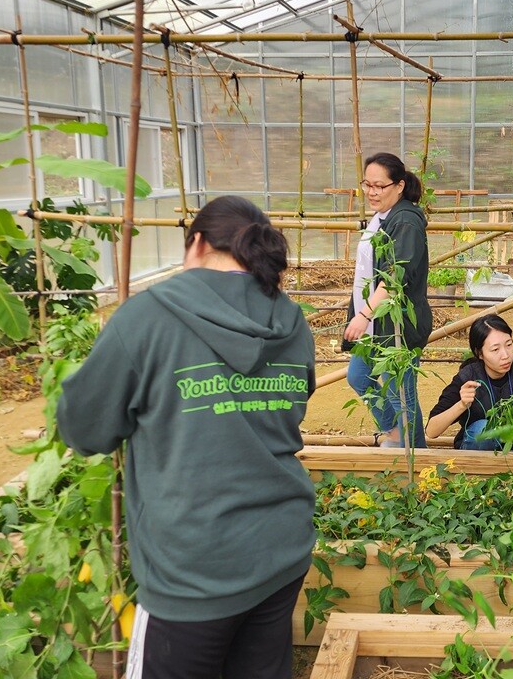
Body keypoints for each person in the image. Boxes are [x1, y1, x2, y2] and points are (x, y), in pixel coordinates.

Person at [56, 196, 316, 679]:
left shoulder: (148, 317)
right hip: (280, 547)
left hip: (194, 568)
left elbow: (84, 429)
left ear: (196, 243)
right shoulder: (291, 320)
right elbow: (292, 408)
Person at [343, 152, 432, 448]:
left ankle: (416, 455)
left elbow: (396, 277)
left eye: (379, 186)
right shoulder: (383, 217)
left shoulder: (405, 220)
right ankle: (395, 431)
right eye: (367, 184)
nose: (371, 191)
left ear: (400, 186)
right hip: (376, 325)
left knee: (400, 393)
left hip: (397, 325)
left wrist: (364, 314)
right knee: (358, 376)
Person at [426, 315, 513, 450]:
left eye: (509, 345)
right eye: (495, 350)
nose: (505, 355)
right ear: (480, 353)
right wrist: (462, 404)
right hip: (477, 454)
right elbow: (431, 431)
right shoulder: (469, 378)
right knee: (484, 429)